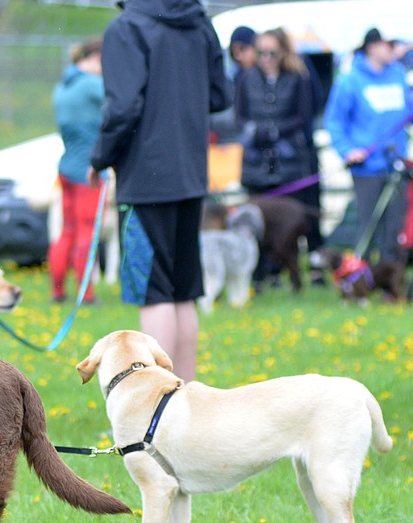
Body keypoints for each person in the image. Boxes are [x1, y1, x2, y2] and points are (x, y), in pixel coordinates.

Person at [89, 0, 229, 383]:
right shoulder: (200, 22)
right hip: (191, 175)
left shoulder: (126, 28)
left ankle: (156, 406)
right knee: (182, 292)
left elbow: (122, 108)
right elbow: (220, 96)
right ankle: (185, 401)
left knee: (154, 294)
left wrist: (99, 158)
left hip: (145, 180)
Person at [234, 28, 321, 290]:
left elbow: (305, 116)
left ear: (282, 52)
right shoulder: (246, 78)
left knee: (291, 221)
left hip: (289, 161)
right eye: (261, 52)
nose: (266, 58)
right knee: (256, 221)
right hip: (256, 162)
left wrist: (276, 131)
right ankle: (259, 276)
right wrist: (254, 132)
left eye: (272, 52)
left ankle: (299, 273)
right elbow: (238, 116)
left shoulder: (298, 76)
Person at [325, 28, 412, 267]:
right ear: (372, 46)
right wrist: (347, 150)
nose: (394, 49)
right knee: (369, 226)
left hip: (396, 164)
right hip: (367, 167)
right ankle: (360, 278)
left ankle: (390, 281)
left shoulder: (398, 75)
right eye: (388, 44)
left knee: (394, 226)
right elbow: (334, 121)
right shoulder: (349, 80)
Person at [49, 37, 105, 305]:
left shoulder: (62, 86)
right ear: (96, 58)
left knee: (67, 231)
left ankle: (58, 290)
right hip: (88, 173)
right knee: (87, 232)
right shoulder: (92, 85)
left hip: (66, 167)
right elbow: (122, 104)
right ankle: (87, 294)